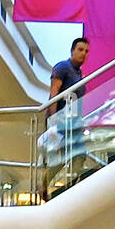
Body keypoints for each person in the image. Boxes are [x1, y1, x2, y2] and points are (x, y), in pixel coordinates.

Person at [47, 37, 90, 181]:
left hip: (73, 122)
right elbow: (54, 94)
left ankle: (66, 185)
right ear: (72, 51)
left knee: (75, 155)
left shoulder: (79, 74)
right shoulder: (63, 67)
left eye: (86, 51)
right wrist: (52, 122)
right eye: (80, 49)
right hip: (61, 120)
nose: (83, 53)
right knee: (69, 155)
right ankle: (45, 182)